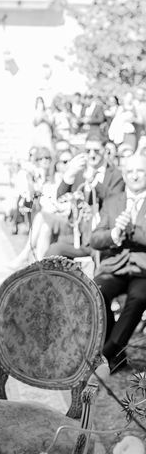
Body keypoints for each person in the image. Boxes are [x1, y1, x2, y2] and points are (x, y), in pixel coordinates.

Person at [90, 154, 146, 372]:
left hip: (143, 270)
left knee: (140, 296)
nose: (134, 176)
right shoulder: (113, 201)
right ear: (124, 174)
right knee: (97, 290)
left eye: (139, 171)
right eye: (130, 171)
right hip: (114, 267)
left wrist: (132, 229)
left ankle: (108, 351)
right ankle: (117, 355)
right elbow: (95, 239)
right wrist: (114, 234)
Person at [43, 134, 124, 259]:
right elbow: (60, 196)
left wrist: (94, 182)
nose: (92, 155)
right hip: (78, 236)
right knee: (53, 251)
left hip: (100, 236)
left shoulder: (116, 175)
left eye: (96, 151)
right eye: (88, 151)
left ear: (105, 150)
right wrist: (70, 174)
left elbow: (114, 201)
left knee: (98, 259)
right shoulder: (79, 172)